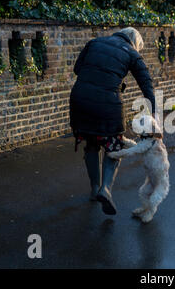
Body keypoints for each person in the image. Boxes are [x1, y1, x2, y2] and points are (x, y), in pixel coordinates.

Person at [69, 27, 156, 215]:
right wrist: (153, 116)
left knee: (91, 144)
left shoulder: (94, 42)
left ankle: (94, 188)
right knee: (114, 146)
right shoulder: (132, 53)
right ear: (135, 43)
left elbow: (77, 69)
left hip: (80, 100)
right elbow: (147, 87)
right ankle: (105, 189)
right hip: (107, 105)